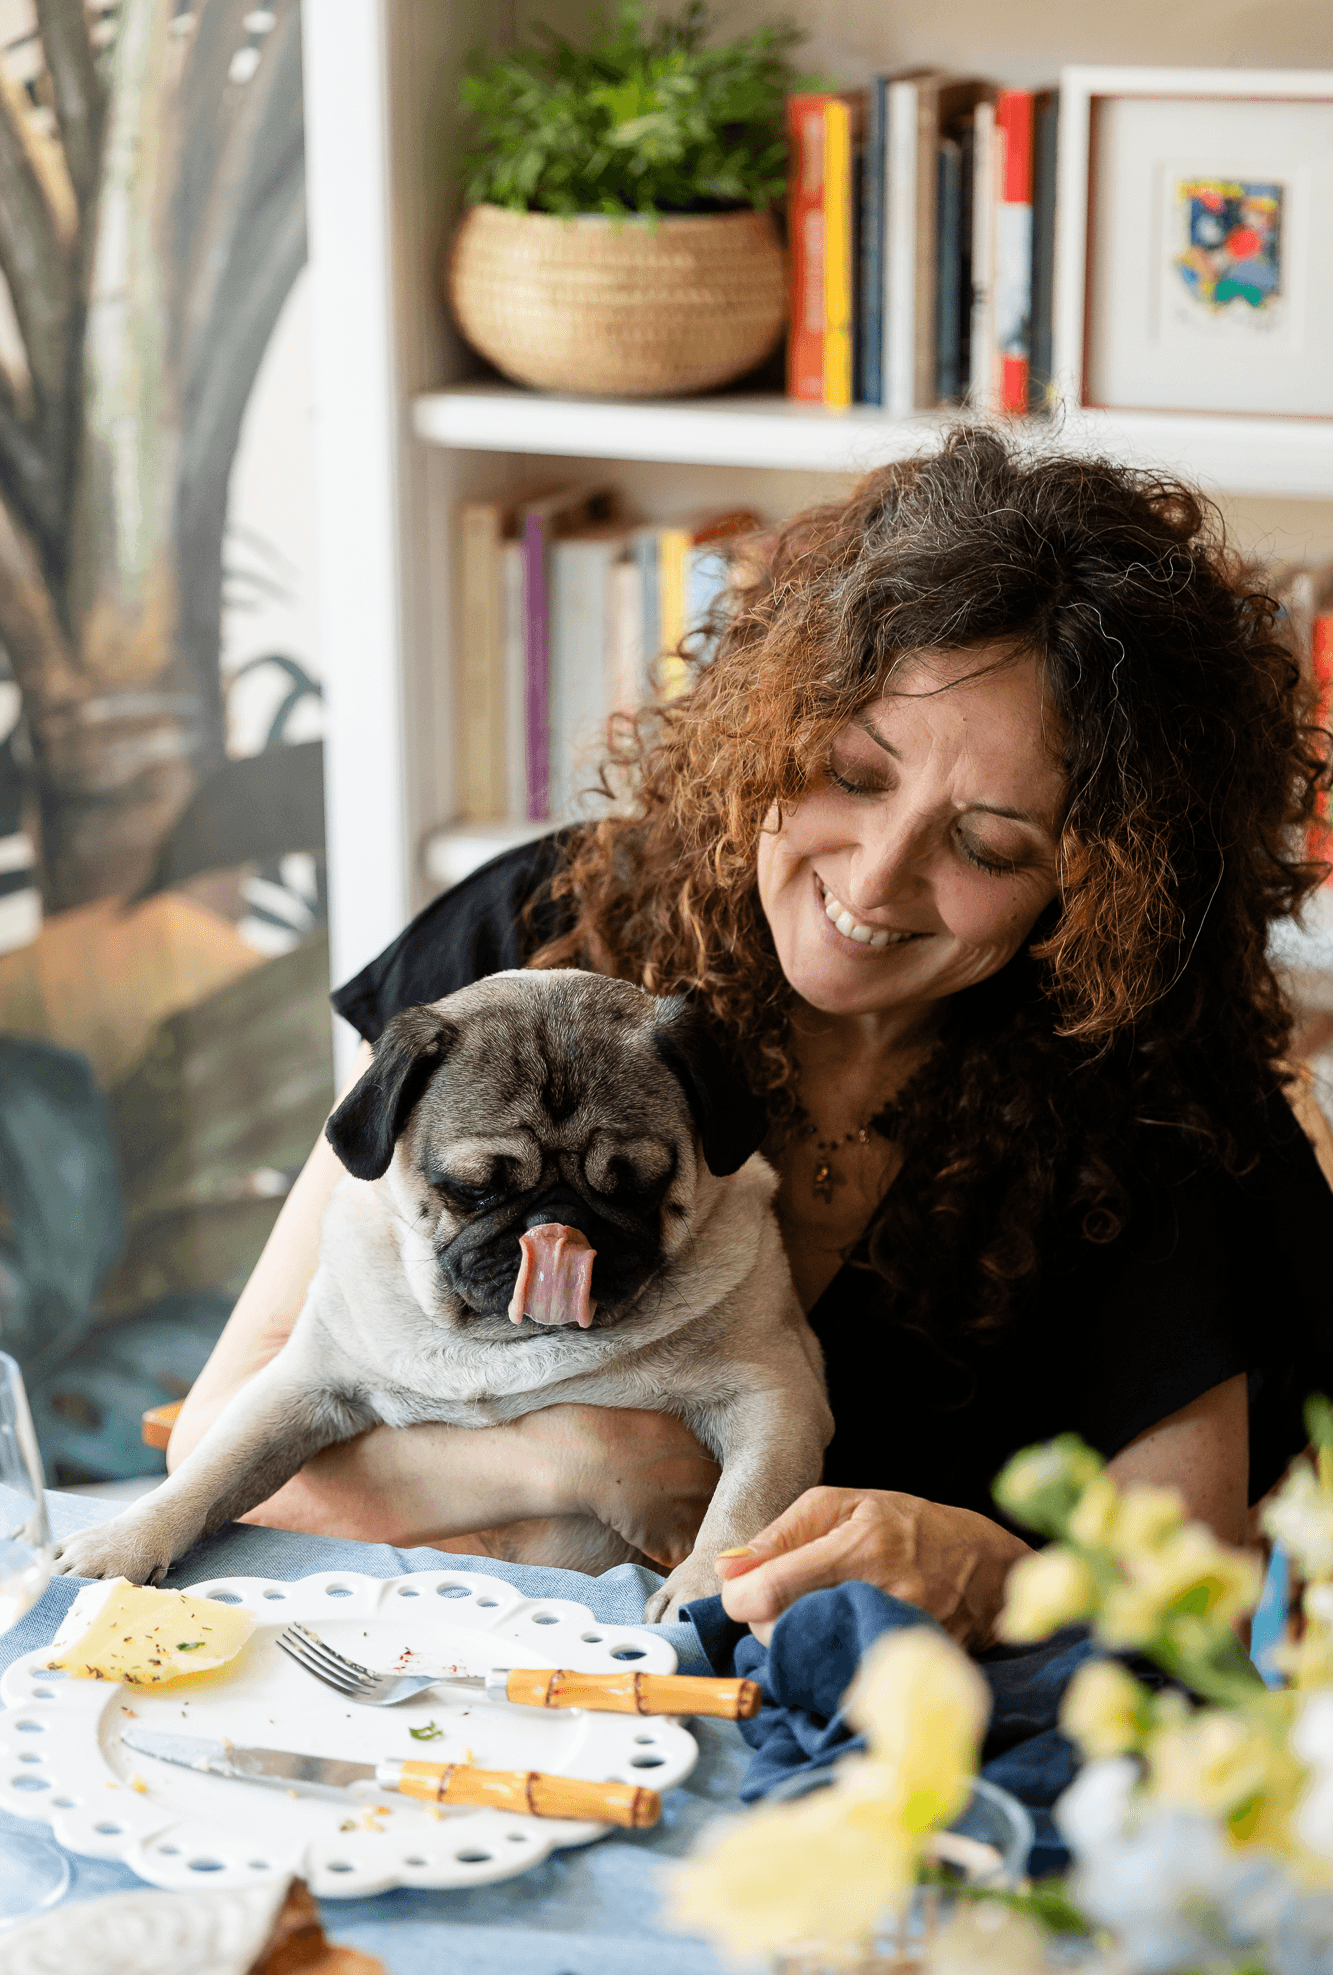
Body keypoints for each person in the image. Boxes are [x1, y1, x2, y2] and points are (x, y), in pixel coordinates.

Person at [170, 429, 1333, 1651]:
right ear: (774, 720)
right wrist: (579, 1465)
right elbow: (223, 1442)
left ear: (1106, 887)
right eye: (850, 771)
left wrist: (992, 1577)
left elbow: (1191, 1602)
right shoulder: (533, 945)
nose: (876, 880)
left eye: (988, 845)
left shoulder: (1159, 1106)